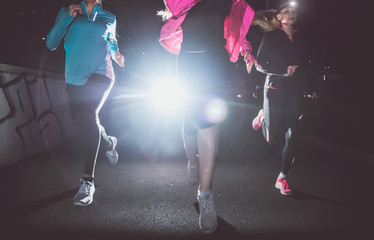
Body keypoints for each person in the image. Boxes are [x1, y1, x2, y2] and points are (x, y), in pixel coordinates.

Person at [159, 0, 256, 233]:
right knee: (189, 124)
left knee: (209, 124)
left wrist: (247, 51)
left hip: (215, 63)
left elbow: (236, 28)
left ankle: (206, 194)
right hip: (188, 64)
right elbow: (173, 7)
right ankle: (193, 161)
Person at [46, 0, 125, 206]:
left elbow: (111, 40)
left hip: (102, 73)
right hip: (74, 77)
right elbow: (51, 43)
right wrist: (66, 17)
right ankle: (109, 142)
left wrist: (116, 54)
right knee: (87, 121)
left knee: (89, 116)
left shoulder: (109, 17)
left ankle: (87, 181)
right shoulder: (68, 12)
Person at [251, 1, 312, 195]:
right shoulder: (271, 36)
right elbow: (260, 63)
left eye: (293, 11)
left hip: (294, 90)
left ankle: (282, 177)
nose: (291, 13)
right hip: (274, 87)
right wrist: (282, 71)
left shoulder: (301, 38)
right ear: (278, 16)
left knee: (293, 135)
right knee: (272, 139)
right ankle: (262, 117)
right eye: (286, 11)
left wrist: (309, 87)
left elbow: (304, 66)